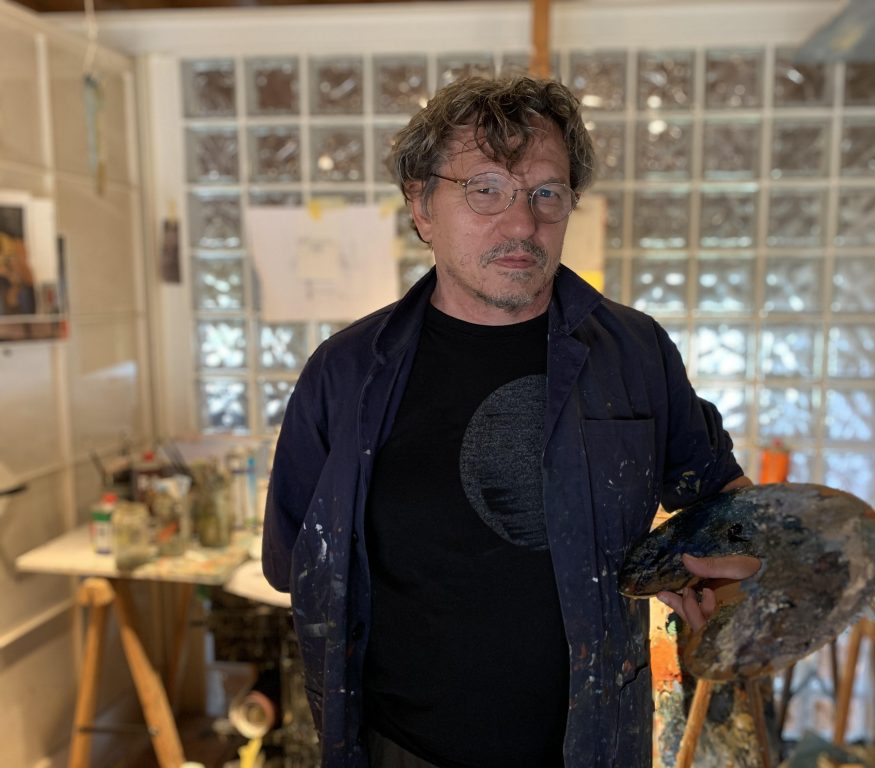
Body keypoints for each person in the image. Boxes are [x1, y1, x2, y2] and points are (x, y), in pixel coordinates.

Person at [263, 75, 758, 768]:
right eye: (485, 189)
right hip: (400, 749)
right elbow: (297, 567)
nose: (523, 224)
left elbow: (724, 508)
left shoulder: (634, 353)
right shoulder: (344, 374)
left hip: (592, 746)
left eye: (546, 193)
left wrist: (720, 576)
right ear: (421, 206)